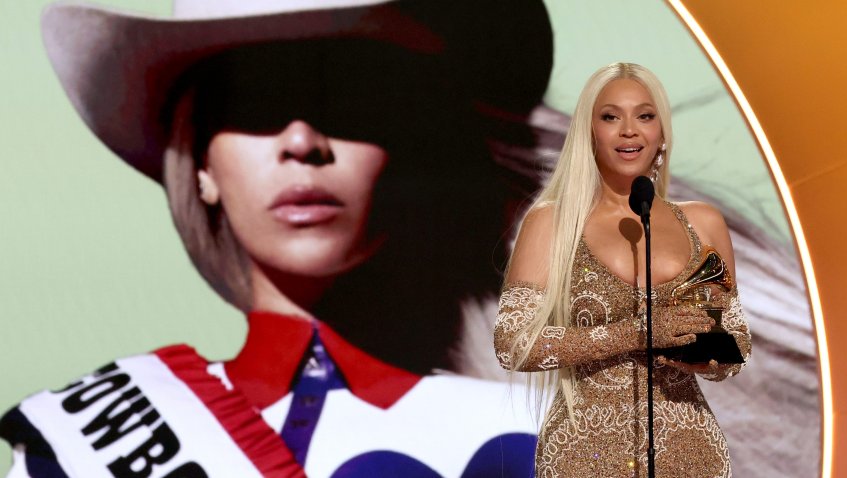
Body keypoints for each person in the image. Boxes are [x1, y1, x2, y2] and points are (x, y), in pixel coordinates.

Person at [0, 0, 555, 476]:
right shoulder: (79, 450)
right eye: (255, 101)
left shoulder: (547, 434)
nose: (301, 140)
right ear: (201, 165)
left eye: (348, 99)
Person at [494, 63, 752, 477]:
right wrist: (637, 332)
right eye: (611, 116)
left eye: (645, 116)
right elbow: (514, 343)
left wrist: (699, 352)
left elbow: (735, 342)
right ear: (589, 132)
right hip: (582, 455)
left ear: (662, 132)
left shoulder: (704, 223)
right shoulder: (552, 222)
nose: (629, 130)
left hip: (690, 453)